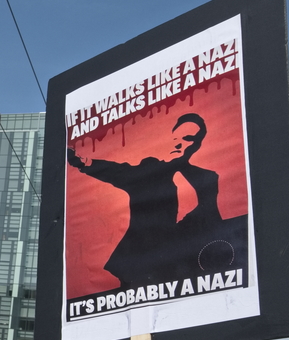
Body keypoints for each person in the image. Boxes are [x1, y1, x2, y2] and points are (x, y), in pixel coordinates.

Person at [67, 113, 246, 289]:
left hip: (186, 264)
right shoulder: (150, 170)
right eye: (176, 137)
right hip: (142, 265)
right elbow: (120, 171)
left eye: (187, 139)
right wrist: (84, 162)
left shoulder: (207, 177)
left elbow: (211, 217)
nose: (179, 143)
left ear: (197, 144)